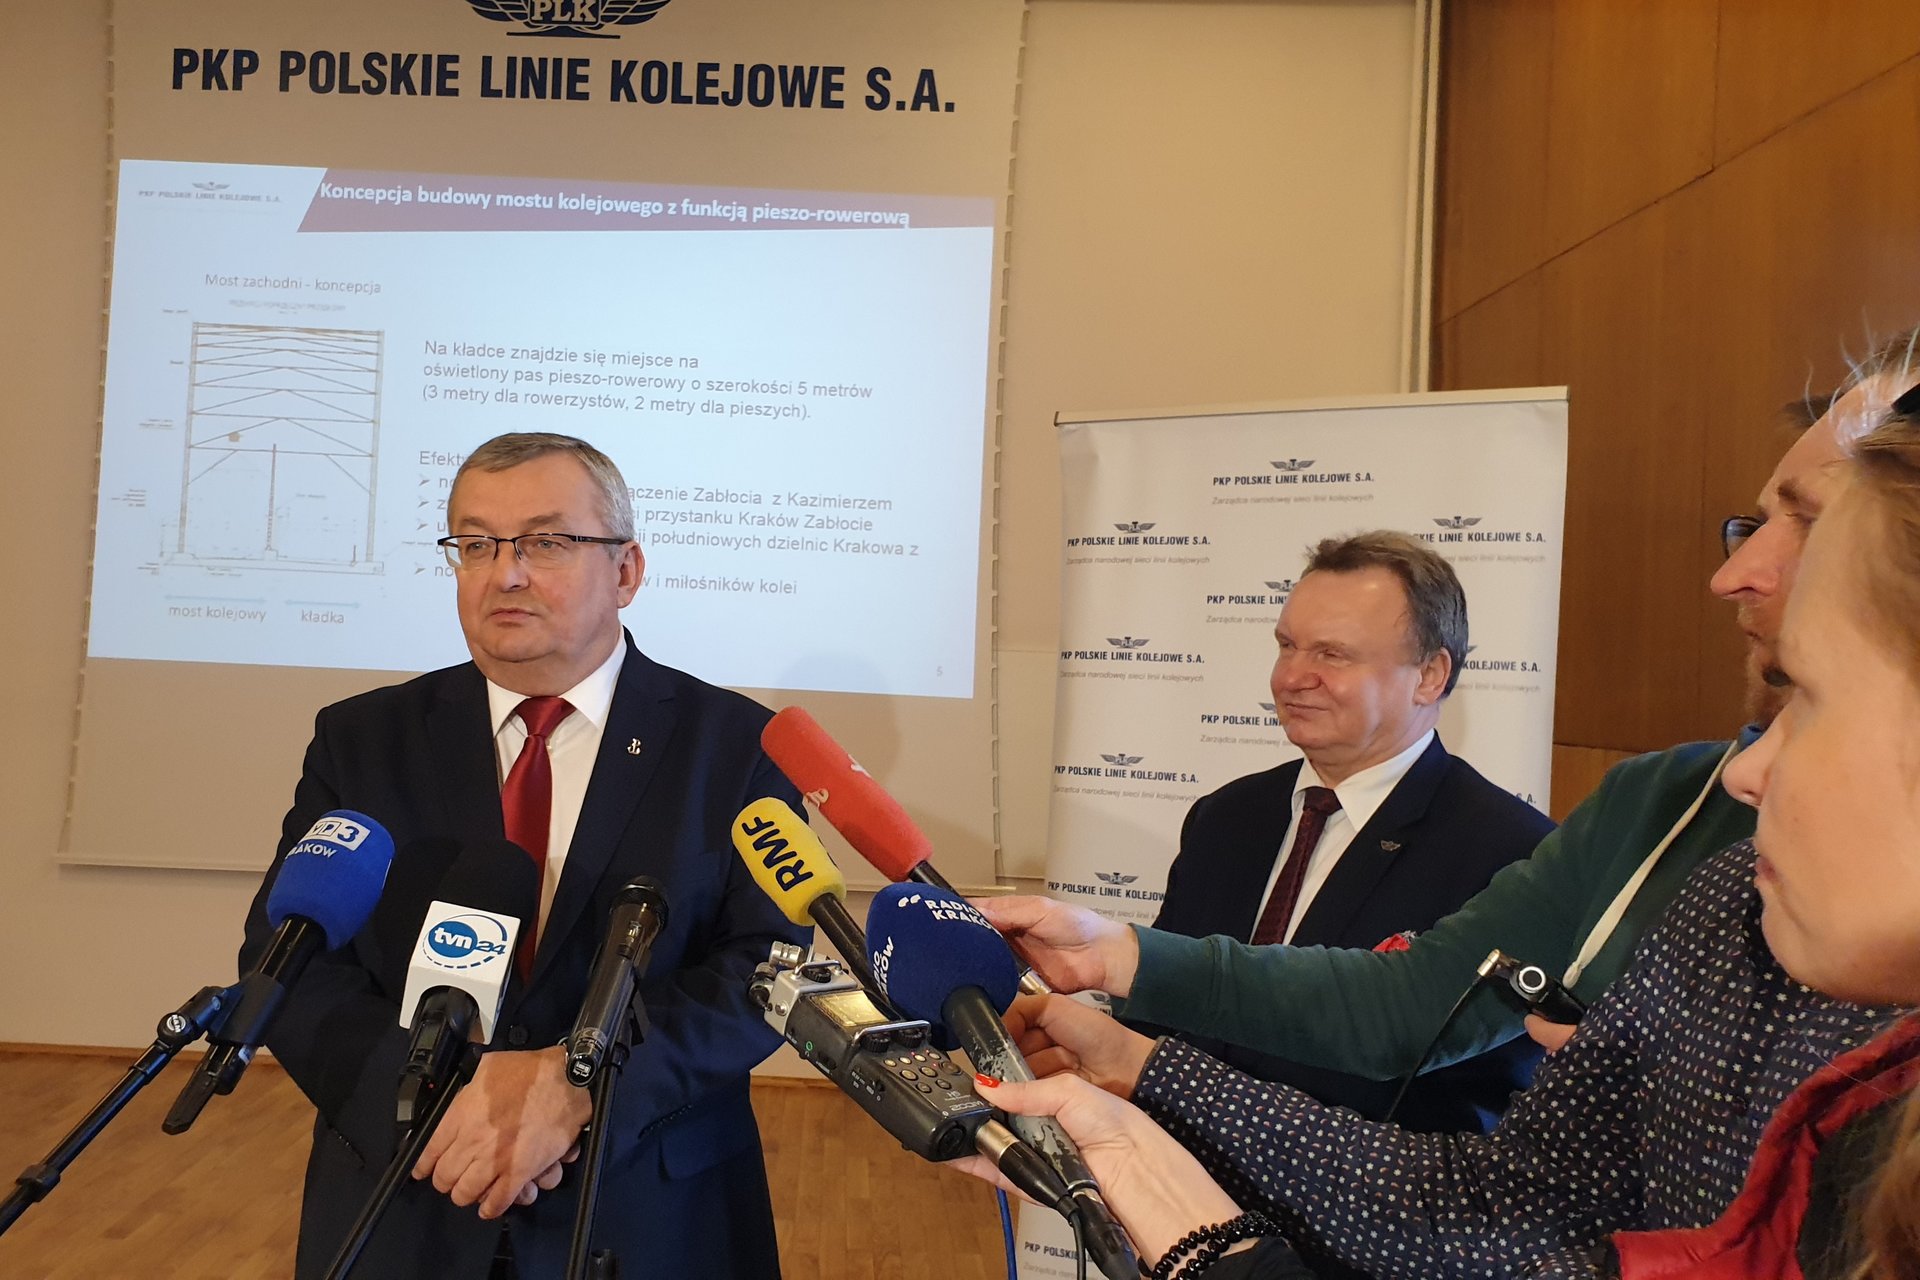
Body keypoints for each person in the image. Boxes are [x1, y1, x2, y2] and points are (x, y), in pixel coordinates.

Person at [962, 399, 1920, 1280]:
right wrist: (1136, 1071)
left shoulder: (1510, 835)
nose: (1750, 773)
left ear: (1432, 676)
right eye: (1287, 645)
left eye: (1809, 697)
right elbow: (1493, 1193)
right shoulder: (1677, 824)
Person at [239, 433, 806, 1279]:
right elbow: (289, 960)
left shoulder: (735, 748)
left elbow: (764, 967)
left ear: (626, 571)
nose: (504, 574)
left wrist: (579, 1089)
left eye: (545, 542)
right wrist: (434, 1108)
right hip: (411, 1202)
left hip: (650, 1211)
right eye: (476, 545)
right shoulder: (363, 739)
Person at [1145, 531, 1550, 1134]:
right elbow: (1158, 1012)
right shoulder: (1225, 818)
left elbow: (1480, 1099)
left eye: (1332, 655)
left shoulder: (1514, 854)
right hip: (1167, 1171)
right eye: (1287, 646)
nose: (1291, 677)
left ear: (1430, 675)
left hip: (1367, 1187)